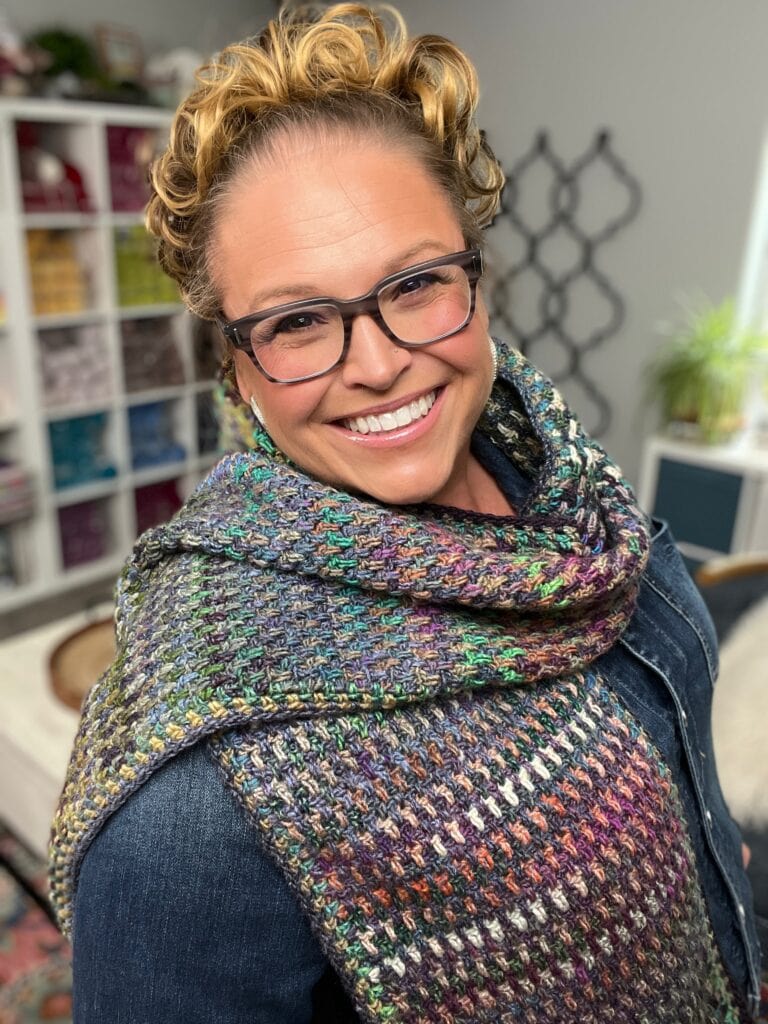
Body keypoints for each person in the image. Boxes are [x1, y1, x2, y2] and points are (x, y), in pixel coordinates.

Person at [49, 5, 761, 1022]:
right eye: (297, 320)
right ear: (238, 369)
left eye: (415, 284)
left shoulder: (562, 489)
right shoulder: (197, 797)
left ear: (475, 272)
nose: (379, 363)